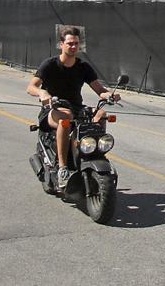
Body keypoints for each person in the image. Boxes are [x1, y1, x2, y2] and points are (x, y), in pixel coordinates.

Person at [26, 27, 118, 190]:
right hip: (52, 109)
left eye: (76, 43)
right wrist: (42, 93)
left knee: (102, 114)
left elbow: (99, 89)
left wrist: (109, 95)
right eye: (70, 43)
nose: (74, 47)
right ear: (61, 44)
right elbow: (31, 87)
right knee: (66, 117)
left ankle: (95, 153)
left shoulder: (83, 66)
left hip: (76, 108)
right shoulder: (50, 64)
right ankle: (63, 169)